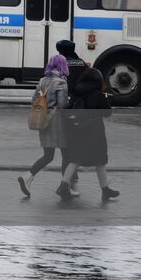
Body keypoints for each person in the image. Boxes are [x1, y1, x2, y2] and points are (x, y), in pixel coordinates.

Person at [57, 67, 119, 202]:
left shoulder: (77, 91)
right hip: (94, 132)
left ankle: (63, 186)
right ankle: (105, 190)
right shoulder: (97, 94)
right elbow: (107, 112)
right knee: (100, 161)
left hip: (76, 131)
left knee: (75, 159)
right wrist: (106, 97)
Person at [17, 54, 70, 197]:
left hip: (44, 121)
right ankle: (65, 186)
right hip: (58, 122)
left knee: (48, 155)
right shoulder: (61, 82)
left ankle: (28, 176)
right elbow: (62, 105)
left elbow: (34, 100)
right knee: (67, 155)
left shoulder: (42, 81)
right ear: (62, 66)